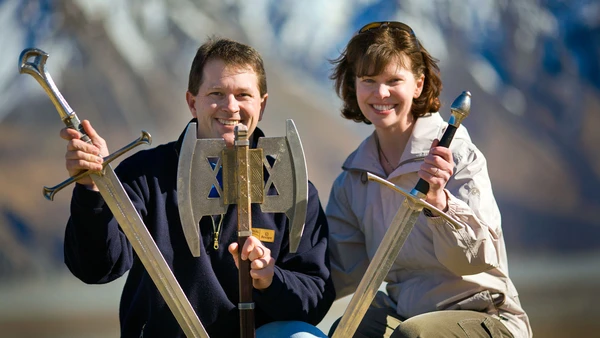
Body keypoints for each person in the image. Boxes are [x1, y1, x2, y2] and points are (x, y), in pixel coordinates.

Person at [61, 37, 334, 338]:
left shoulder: (292, 187)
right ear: (193, 102)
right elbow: (97, 267)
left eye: (243, 94)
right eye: (217, 93)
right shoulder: (145, 176)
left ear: (262, 104)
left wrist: (271, 279)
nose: (231, 107)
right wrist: (93, 190)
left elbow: (316, 297)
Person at [326, 22, 532, 338]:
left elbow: (476, 259)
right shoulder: (353, 180)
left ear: (419, 85)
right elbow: (337, 274)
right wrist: (269, 273)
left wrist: (440, 204)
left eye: (394, 80)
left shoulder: (458, 153)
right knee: (349, 329)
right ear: (353, 85)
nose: (381, 93)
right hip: (407, 316)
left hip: (485, 315)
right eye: (368, 80)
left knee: (415, 335)